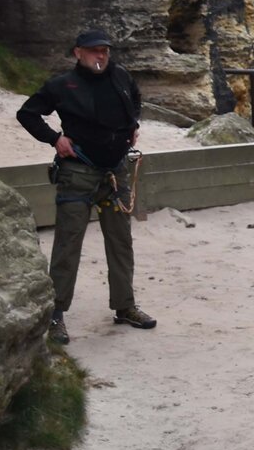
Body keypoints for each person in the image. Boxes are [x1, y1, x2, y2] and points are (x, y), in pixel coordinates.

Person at [15, 28, 154, 345]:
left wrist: (133, 125)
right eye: (94, 51)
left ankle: (125, 306)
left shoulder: (120, 75)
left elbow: (135, 97)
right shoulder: (62, 85)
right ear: (78, 53)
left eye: (104, 50)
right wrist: (55, 139)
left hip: (116, 171)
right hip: (77, 172)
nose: (101, 56)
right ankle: (55, 315)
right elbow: (27, 114)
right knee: (68, 244)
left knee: (121, 241)